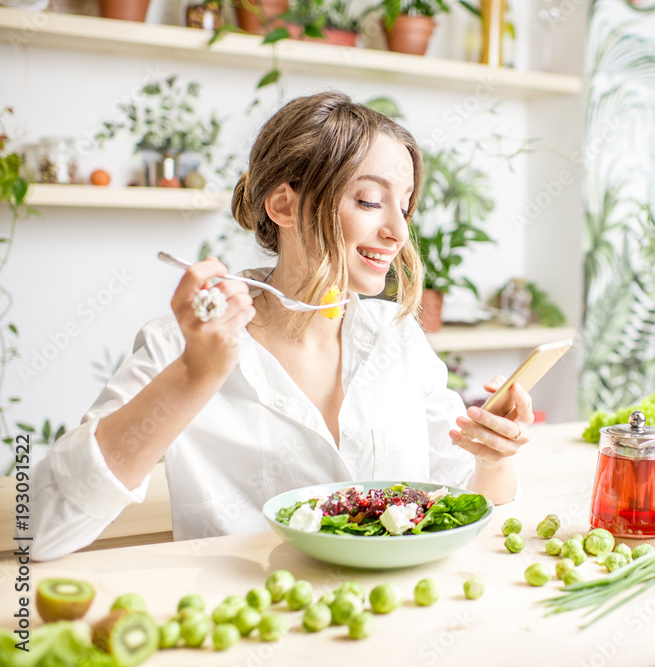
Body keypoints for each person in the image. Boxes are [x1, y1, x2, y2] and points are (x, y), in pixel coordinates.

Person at [30, 91, 532, 561]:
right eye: (370, 201)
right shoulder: (182, 347)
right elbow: (40, 530)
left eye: (404, 206)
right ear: (284, 205)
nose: (399, 232)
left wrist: (493, 457)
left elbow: (468, 499)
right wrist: (194, 376)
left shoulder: (397, 336)